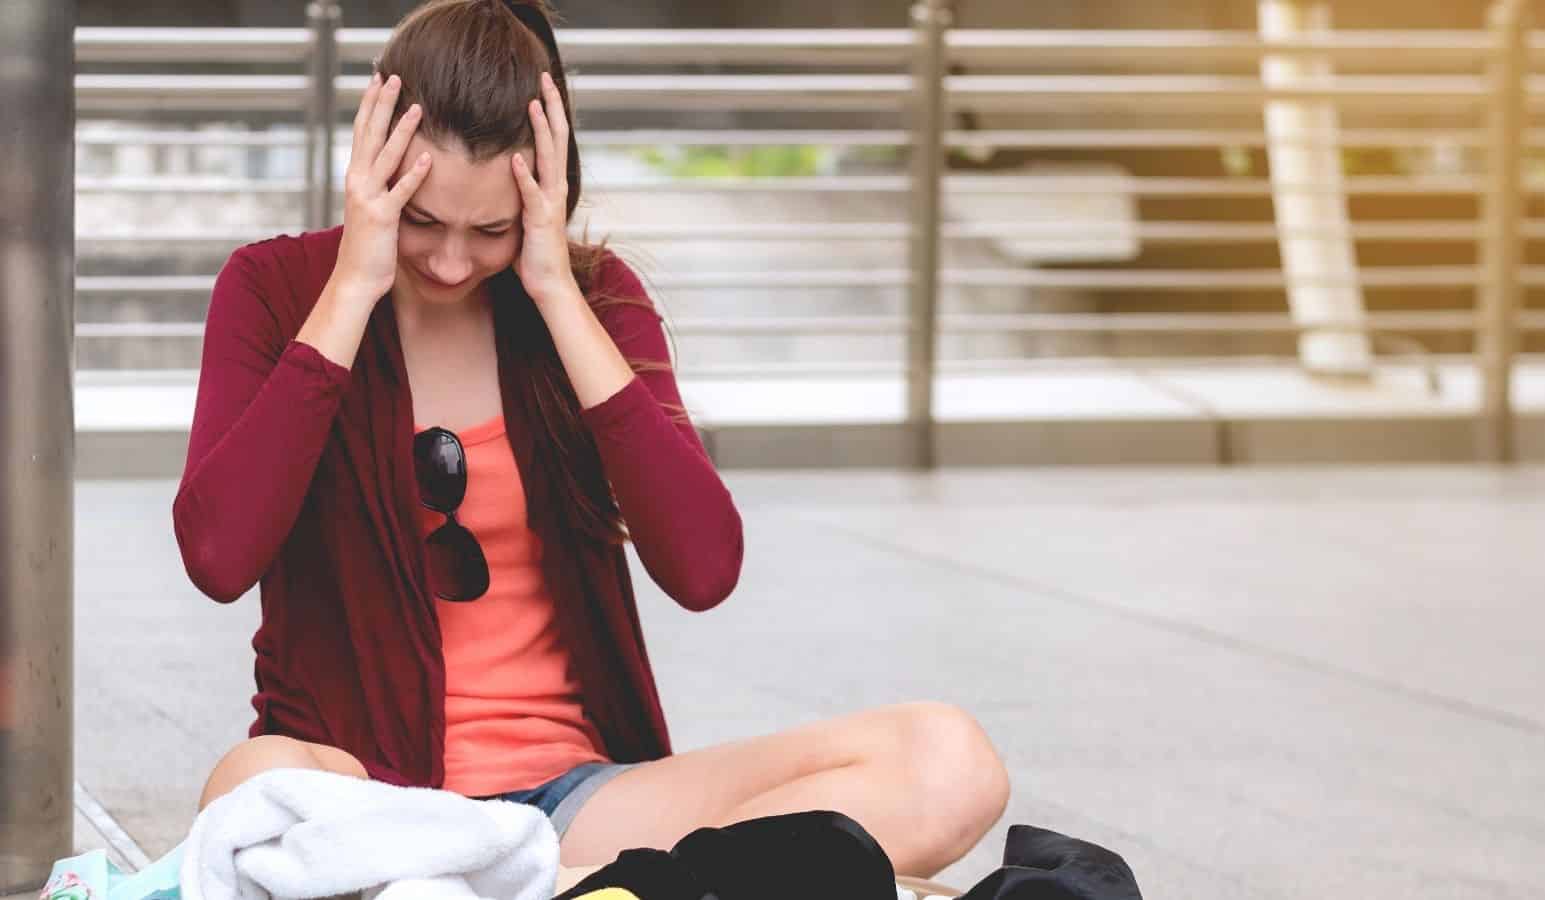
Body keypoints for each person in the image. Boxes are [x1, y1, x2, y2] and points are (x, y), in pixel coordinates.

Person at [176, 0, 1009, 879]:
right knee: (252, 789)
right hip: (363, 799)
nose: (452, 263)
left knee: (946, 761)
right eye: (421, 221)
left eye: (490, 230)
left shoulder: (592, 302)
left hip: (575, 812)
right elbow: (218, 555)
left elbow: (704, 568)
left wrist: (557, 296)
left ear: (547, 191)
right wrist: (352, 287)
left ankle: (536, 888)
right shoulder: (276, 288)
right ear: (374, 167)